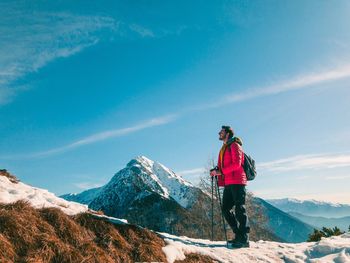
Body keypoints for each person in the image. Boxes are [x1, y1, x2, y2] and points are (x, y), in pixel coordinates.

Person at [210, 125, 250, 248]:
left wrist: (221, 172)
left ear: (227, 133)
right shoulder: (224, 148)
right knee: (225, 209)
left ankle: (244, 239)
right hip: (229, 181)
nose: (219, 133)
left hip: (238, 181)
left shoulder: (235, 145)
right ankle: (238, 235)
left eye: (221, 132)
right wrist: (216, 170)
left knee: (239, 209)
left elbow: (237, 164)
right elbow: (222, 166)